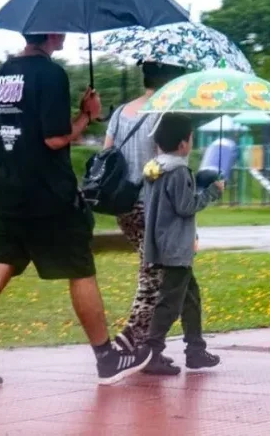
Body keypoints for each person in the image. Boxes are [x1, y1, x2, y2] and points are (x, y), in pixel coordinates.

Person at [0, 33, 152, 388]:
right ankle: (106, 358)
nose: (65, 35)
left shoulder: (7, 71)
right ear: (52, 34)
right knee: (80, 269)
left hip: (6, 187)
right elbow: (54, 137)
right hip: (48, 194)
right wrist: (87, 116)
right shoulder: (50, 73)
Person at [104, 62, 186, 361]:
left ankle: (149, 346)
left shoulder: (120, 112)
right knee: (154, 277)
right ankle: (130, 342)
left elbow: (107, 152)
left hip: (124, 204)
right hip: (153, 205)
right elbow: (164, 162)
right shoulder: (165, 113)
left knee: (156, 273)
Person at [140, 113, 223, 375]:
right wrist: (212, 192)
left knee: (190, 298)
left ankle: (195, 350)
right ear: (183, 144)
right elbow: (186, 207)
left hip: (162, 242)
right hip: (177, 247)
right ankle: (150, 352)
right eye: (191, 137)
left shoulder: (154, 167)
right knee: (170, 303)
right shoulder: (178, 171)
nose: (192, 142)